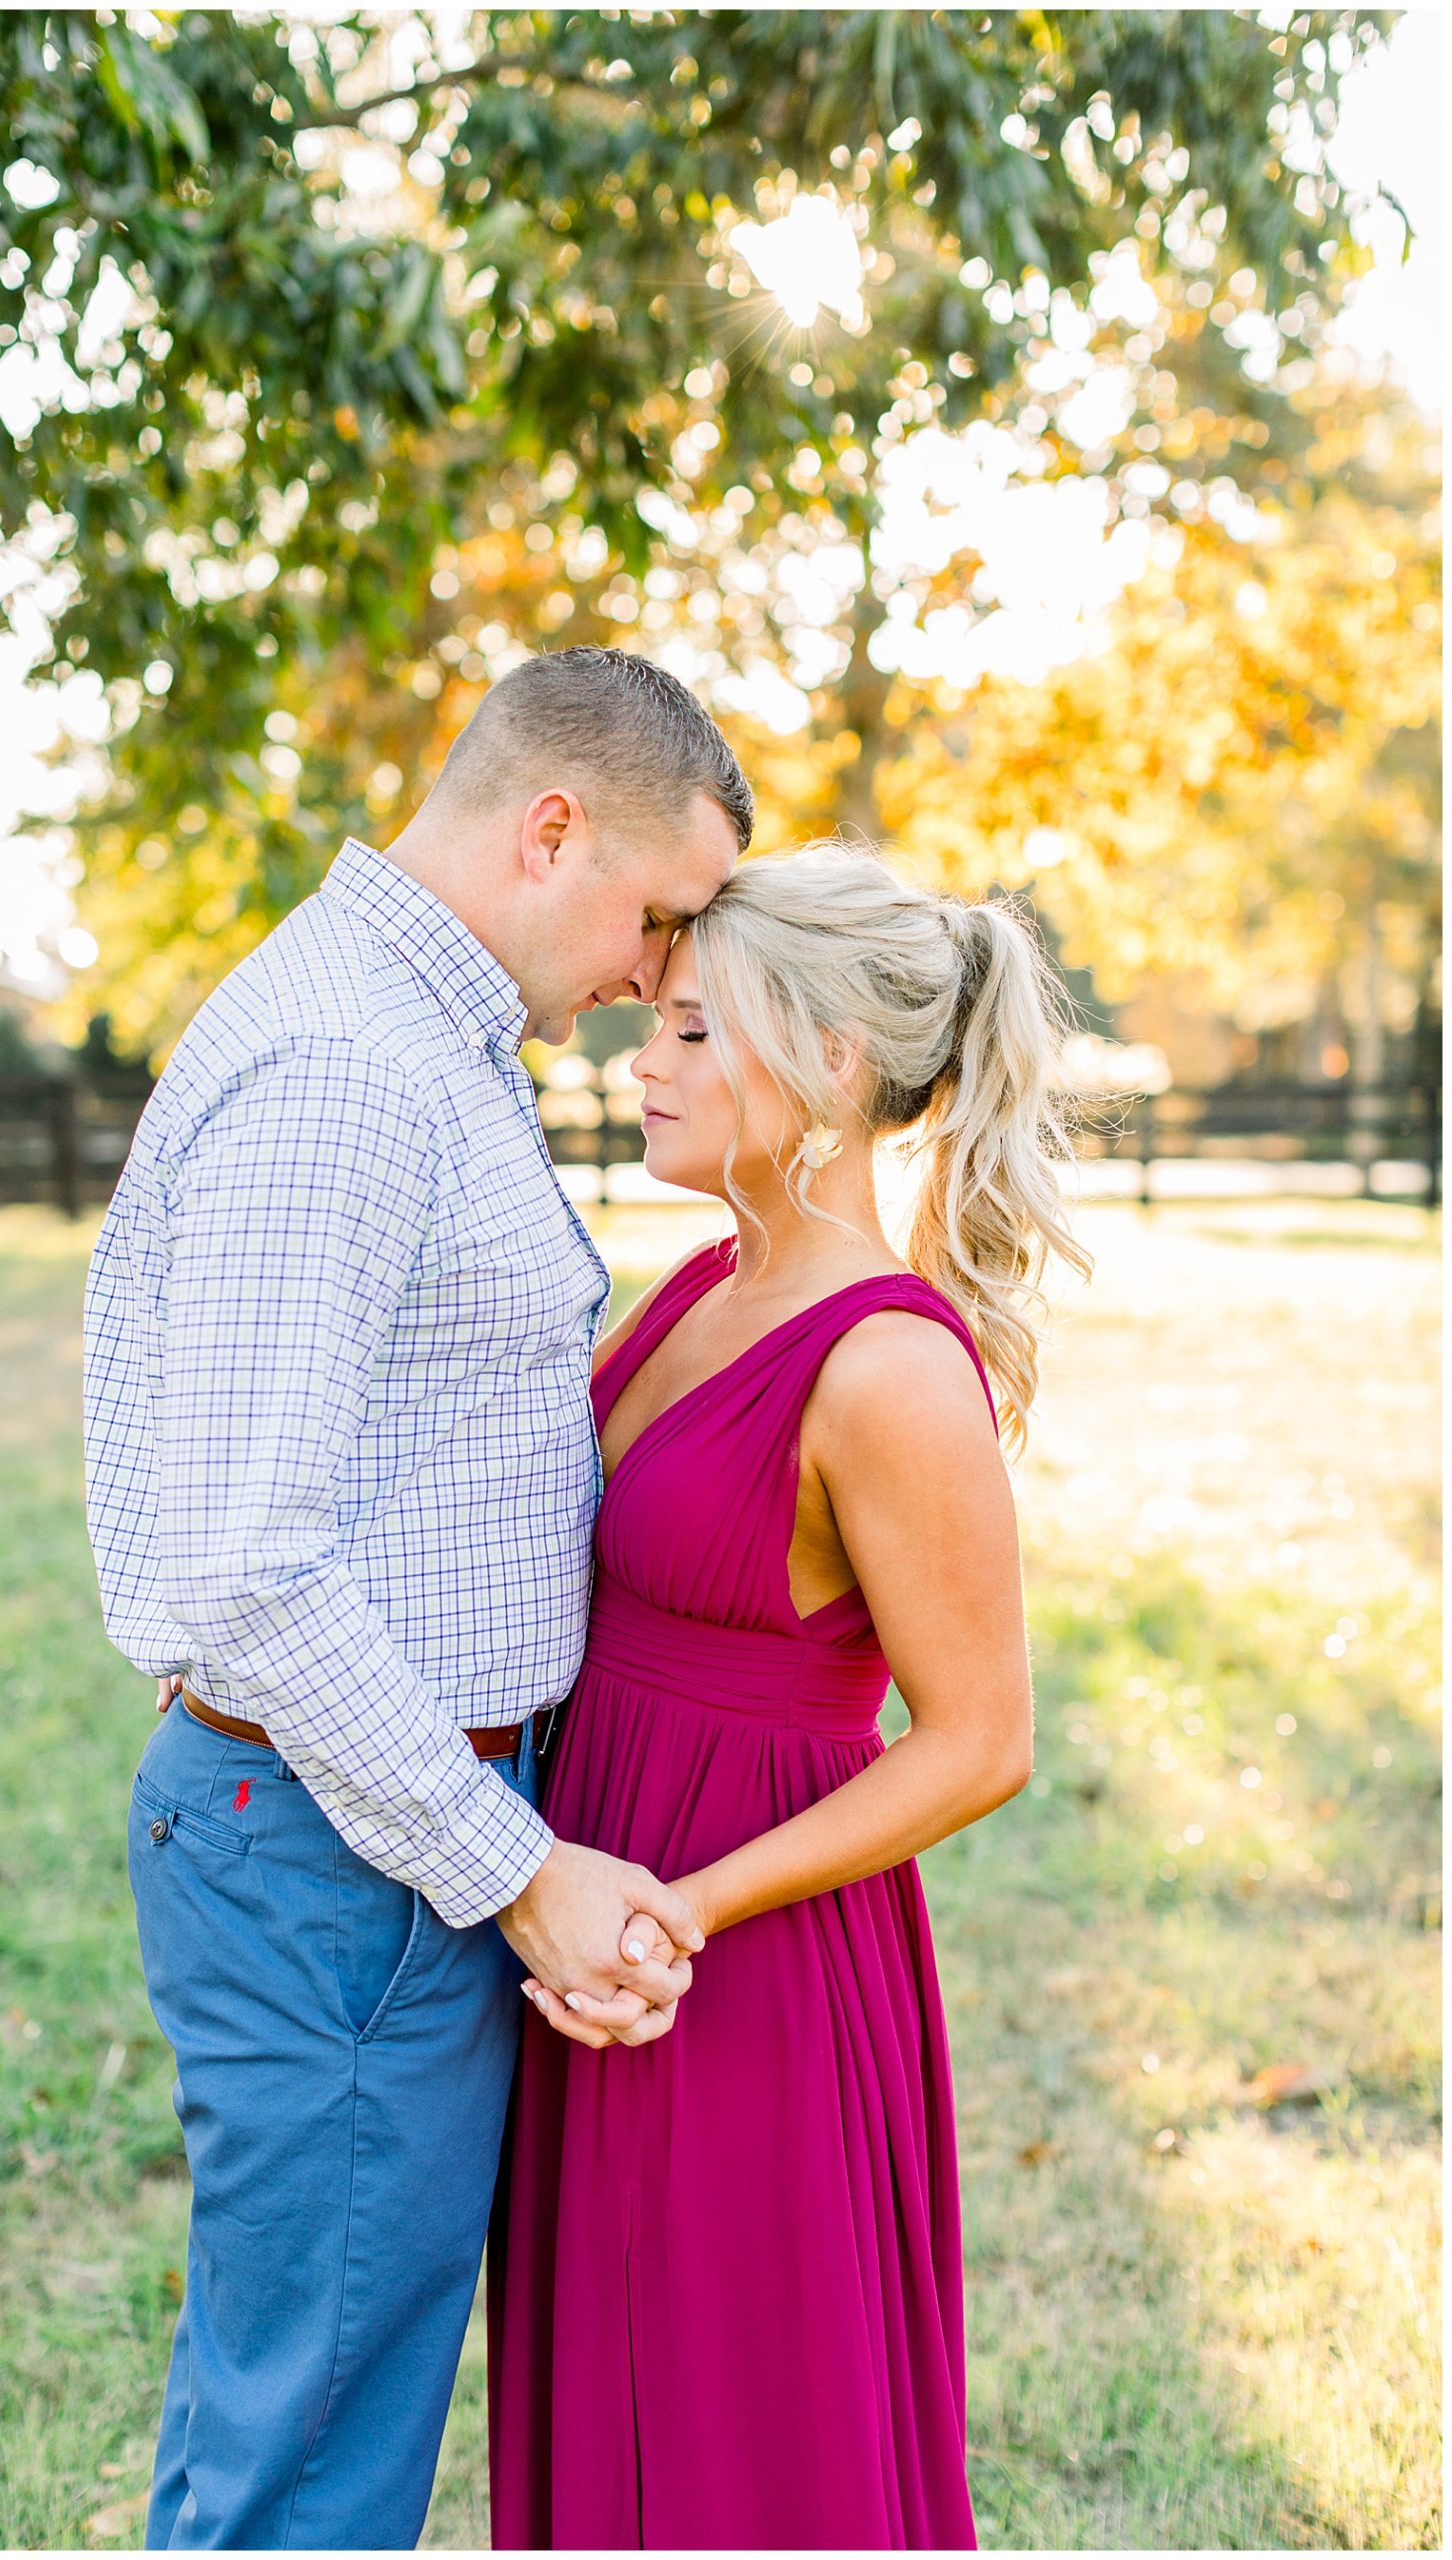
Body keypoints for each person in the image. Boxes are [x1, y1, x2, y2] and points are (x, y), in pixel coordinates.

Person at [81, 648, 748, 2550]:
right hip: (342, 1846)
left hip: (369, 1828)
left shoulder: (413, 1035)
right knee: (311, 2456)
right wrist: (513, 1865)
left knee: (330, 2402)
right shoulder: (349, 1068)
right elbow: (253, 1568)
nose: (651, 972)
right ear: (552, 827)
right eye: (653, 912)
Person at [488, 841, 1096, 2550]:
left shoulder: (888, 1364)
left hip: (738, 1954)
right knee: (603, 2386)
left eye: (692, 1033)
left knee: (738, 2428)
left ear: (832, 1066)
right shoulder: (697, 1285)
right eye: (650, 1025)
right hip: (593, 1915)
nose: (638, 1063)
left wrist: (684, 1913)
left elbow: (982, 1743)